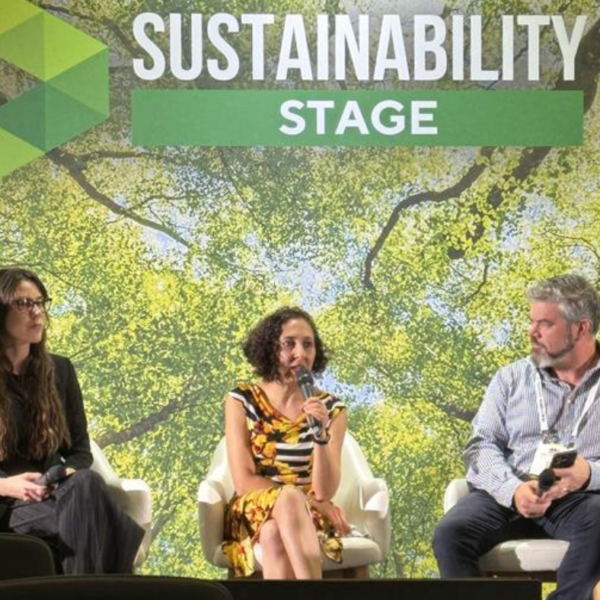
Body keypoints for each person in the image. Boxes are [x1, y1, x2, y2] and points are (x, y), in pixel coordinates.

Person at [433, 274, 600, 600]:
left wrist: (589, 474)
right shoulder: (510, 378)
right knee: (450, 534)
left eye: (545, 323)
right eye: (531, 321)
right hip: (510, 493)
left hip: (581, 499)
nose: (531, 331)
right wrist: (512, 490)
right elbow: (480, 445)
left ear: (581, 328)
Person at [0, 267, 144, 574]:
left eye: (40, 302)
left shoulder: (60, 370)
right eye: (24, 304)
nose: (37, 312)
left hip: (54, 494)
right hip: (7, 506)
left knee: (86, 482)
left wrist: (62, 474)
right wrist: (7, 486)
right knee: (103, 522)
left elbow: (79, 451)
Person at [223, 306, 349, 579]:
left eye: (308, 344)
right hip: (254, 507)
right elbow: (244, 482)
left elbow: (324, 491)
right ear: (270, 349)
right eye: (289, 343)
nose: (300, 353)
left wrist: (320, 435)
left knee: (273, 534)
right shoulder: (241, 400)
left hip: (307, 517)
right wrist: (308, 501)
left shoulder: (332, 408)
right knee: (288, 499)